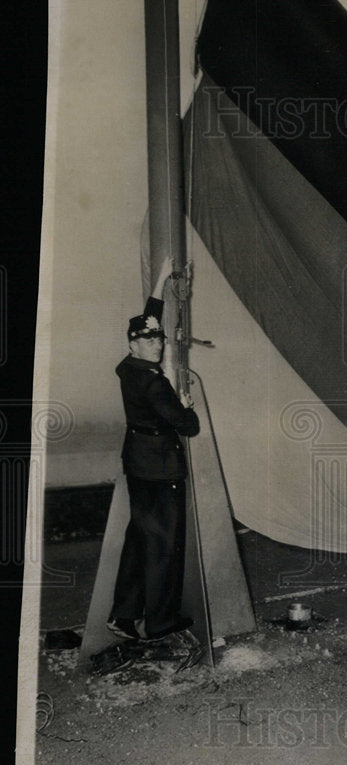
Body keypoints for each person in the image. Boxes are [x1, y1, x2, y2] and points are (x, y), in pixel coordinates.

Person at [107, 262, 200, 643]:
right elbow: (188, 426)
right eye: (149, 342)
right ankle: (160, 622)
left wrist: (159, 287)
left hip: (138, 463)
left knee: (140, 540)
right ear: (133, 344)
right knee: (163, 545)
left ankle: (124, 616)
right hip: (162, 470)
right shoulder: (154, 384)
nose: (157, 344)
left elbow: (149, 321)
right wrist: (186, 404)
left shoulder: (128, 368)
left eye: (159, 339)